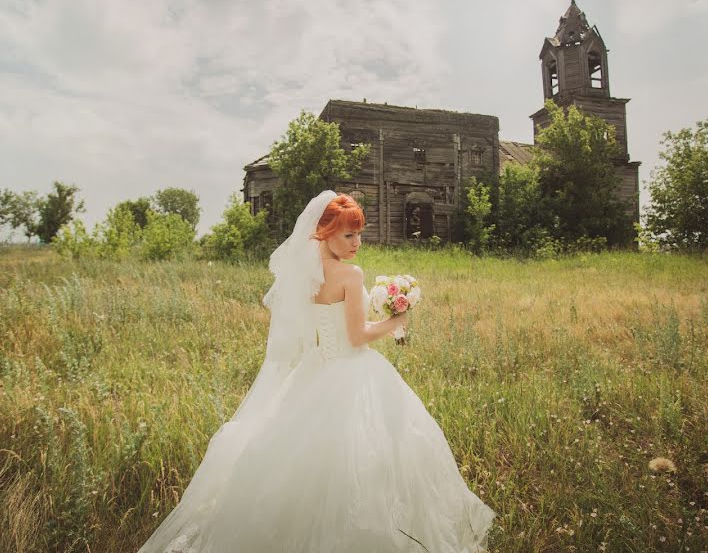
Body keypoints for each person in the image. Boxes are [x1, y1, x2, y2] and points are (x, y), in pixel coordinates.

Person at [138, 191, 495, 553]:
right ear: (324, 233)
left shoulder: (305, 276)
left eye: (359, 234)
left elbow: (318, 331)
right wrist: (394, 320)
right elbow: (357, 336)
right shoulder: (350, 275)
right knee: (372, 456)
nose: (357, 243)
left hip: (316, 370)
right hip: (353, 370)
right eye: (348, 235)